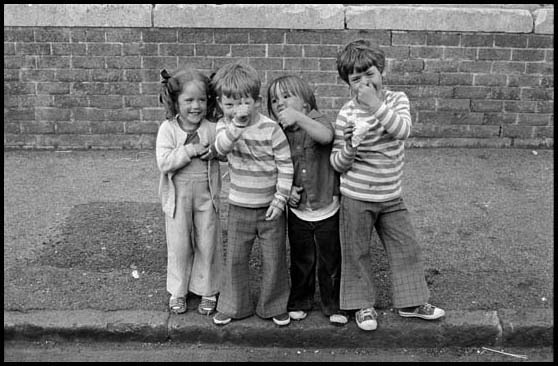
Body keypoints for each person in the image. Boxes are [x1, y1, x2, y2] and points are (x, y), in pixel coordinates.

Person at [330, 39, 445, 331]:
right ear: (348, 84)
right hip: (355, 196)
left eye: (370, 74)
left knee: (406, 247)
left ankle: (411, 302)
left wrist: (375, 105)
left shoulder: (396, 100)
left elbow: (402, 130)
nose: (365, 82)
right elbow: (337, 164)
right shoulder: (346, 114)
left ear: (381, 71)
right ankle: (361, 305)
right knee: (356, 252)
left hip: (391, 195)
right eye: (357, 79)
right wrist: (348, 146)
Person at [210, 62, 294, 327]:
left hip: (270, 207)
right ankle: (233, 305)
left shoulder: (271, 128)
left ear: (257, 101)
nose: (238, 110)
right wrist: (236, 125)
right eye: (230, 104)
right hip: (239, 207)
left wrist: (281, 199)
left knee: (274, 259)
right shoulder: (224, 126)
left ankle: (274, 305)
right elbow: (221, 149)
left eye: (244, 102)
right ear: (220, 104)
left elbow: (285, 165)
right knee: (235, 258)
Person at [266, 75, 348, 326]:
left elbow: (326, 137)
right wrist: (287, 190)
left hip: (326, 205)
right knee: (302, 258)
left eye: (287, 96)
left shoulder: (316, 120)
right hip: (299, 209)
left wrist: (299, 118)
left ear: (306, 102)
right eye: (274, 100)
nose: (280, 102)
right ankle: (301, 300)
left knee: (329, 259)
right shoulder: (278, 132)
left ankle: (332, 303)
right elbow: (276, 166)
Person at [156, 67, 223, 316]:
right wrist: (191, 150)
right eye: (189, 100)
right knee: (179, 244)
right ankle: (178, 290)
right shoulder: (168, 129)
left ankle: (207, 289)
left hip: (207, 196)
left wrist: (216, 151)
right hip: (177, 198)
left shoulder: (212, 128)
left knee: (208, 242)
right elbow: (164, 162)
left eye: (202, 100)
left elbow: (225, 151)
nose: (196, 106)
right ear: (176, 102)